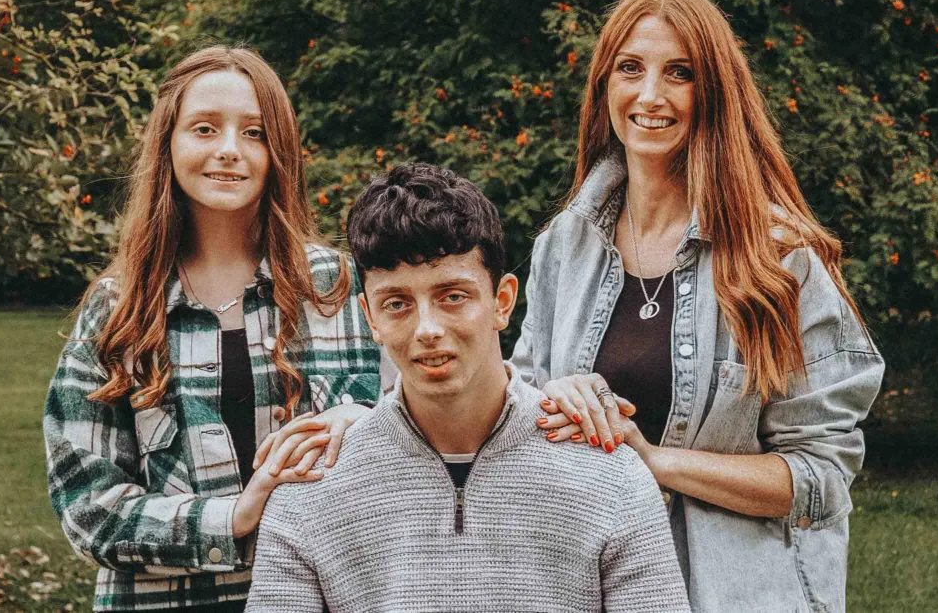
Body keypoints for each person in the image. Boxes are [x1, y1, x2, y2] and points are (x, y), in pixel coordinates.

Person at [511, 0, 884, 612]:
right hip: (589, 584)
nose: (650, 95)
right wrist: (549, 397)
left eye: (678, 73)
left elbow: (821, 479)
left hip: (734, 594)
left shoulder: (777, 259)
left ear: (711, 92)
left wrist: (654, 462)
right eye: (631, 68)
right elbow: (515, 408)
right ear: (604, 84)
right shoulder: (563, 246)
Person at [245, 162, 691, 613]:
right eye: (397, 304)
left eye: (452, 296)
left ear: (502, 302)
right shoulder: (311, 490)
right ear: (370, 318)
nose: (427, 328)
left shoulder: (609, 476)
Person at [42, 45, 382, 613]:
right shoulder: (118, 311)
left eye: (254, 133)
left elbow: (408, 437)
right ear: (168, 143)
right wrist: (233, 517)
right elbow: (87, 506)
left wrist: (364, 419)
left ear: (280, 153)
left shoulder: (335, 287)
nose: (229, 151)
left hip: (315, 597)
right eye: (204, 128)